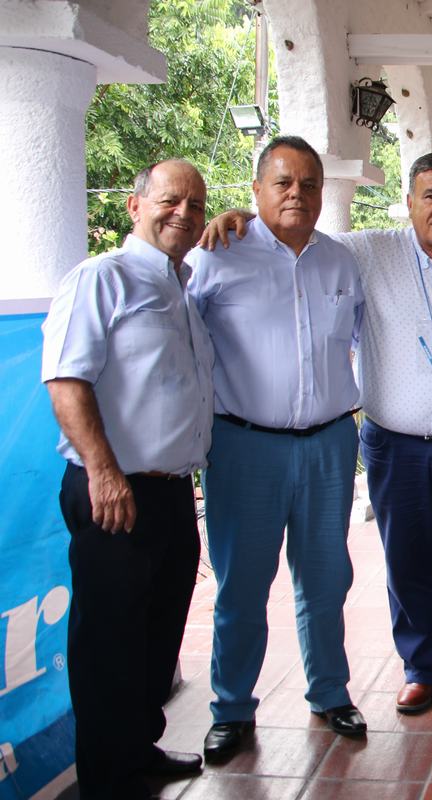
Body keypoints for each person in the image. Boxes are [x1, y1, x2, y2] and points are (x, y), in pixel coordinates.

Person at [201, 152, 432, 735]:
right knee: (405, 560)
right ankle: (420, 667)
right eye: (430, 195)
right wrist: (240, 215)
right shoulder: (366, 251)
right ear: (409, 202)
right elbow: (290, 226)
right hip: (391, 443)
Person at [189, 135, 368, 761]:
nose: (297, 194)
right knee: (242, 585)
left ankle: (329, 691)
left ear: (323, 193)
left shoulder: (341, 262)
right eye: (283, 183)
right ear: (258, 189)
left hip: (328, 444)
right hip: (244, 448)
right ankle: (232, 707)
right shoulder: (217, 255)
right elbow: (172, 327)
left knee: (326, 578)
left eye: (310, 184)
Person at [42, 159, 213, 799]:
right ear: (134, 206)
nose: (185, 214)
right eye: (172, 201)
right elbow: (66, 380)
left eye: (196, 205)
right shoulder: (99, 278)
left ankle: (138, 747)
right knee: (109, 638)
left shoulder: (182, 288)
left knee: (158, 628)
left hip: (170, 492)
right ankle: (109, 779)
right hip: (114, 490)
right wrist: (103, 470)